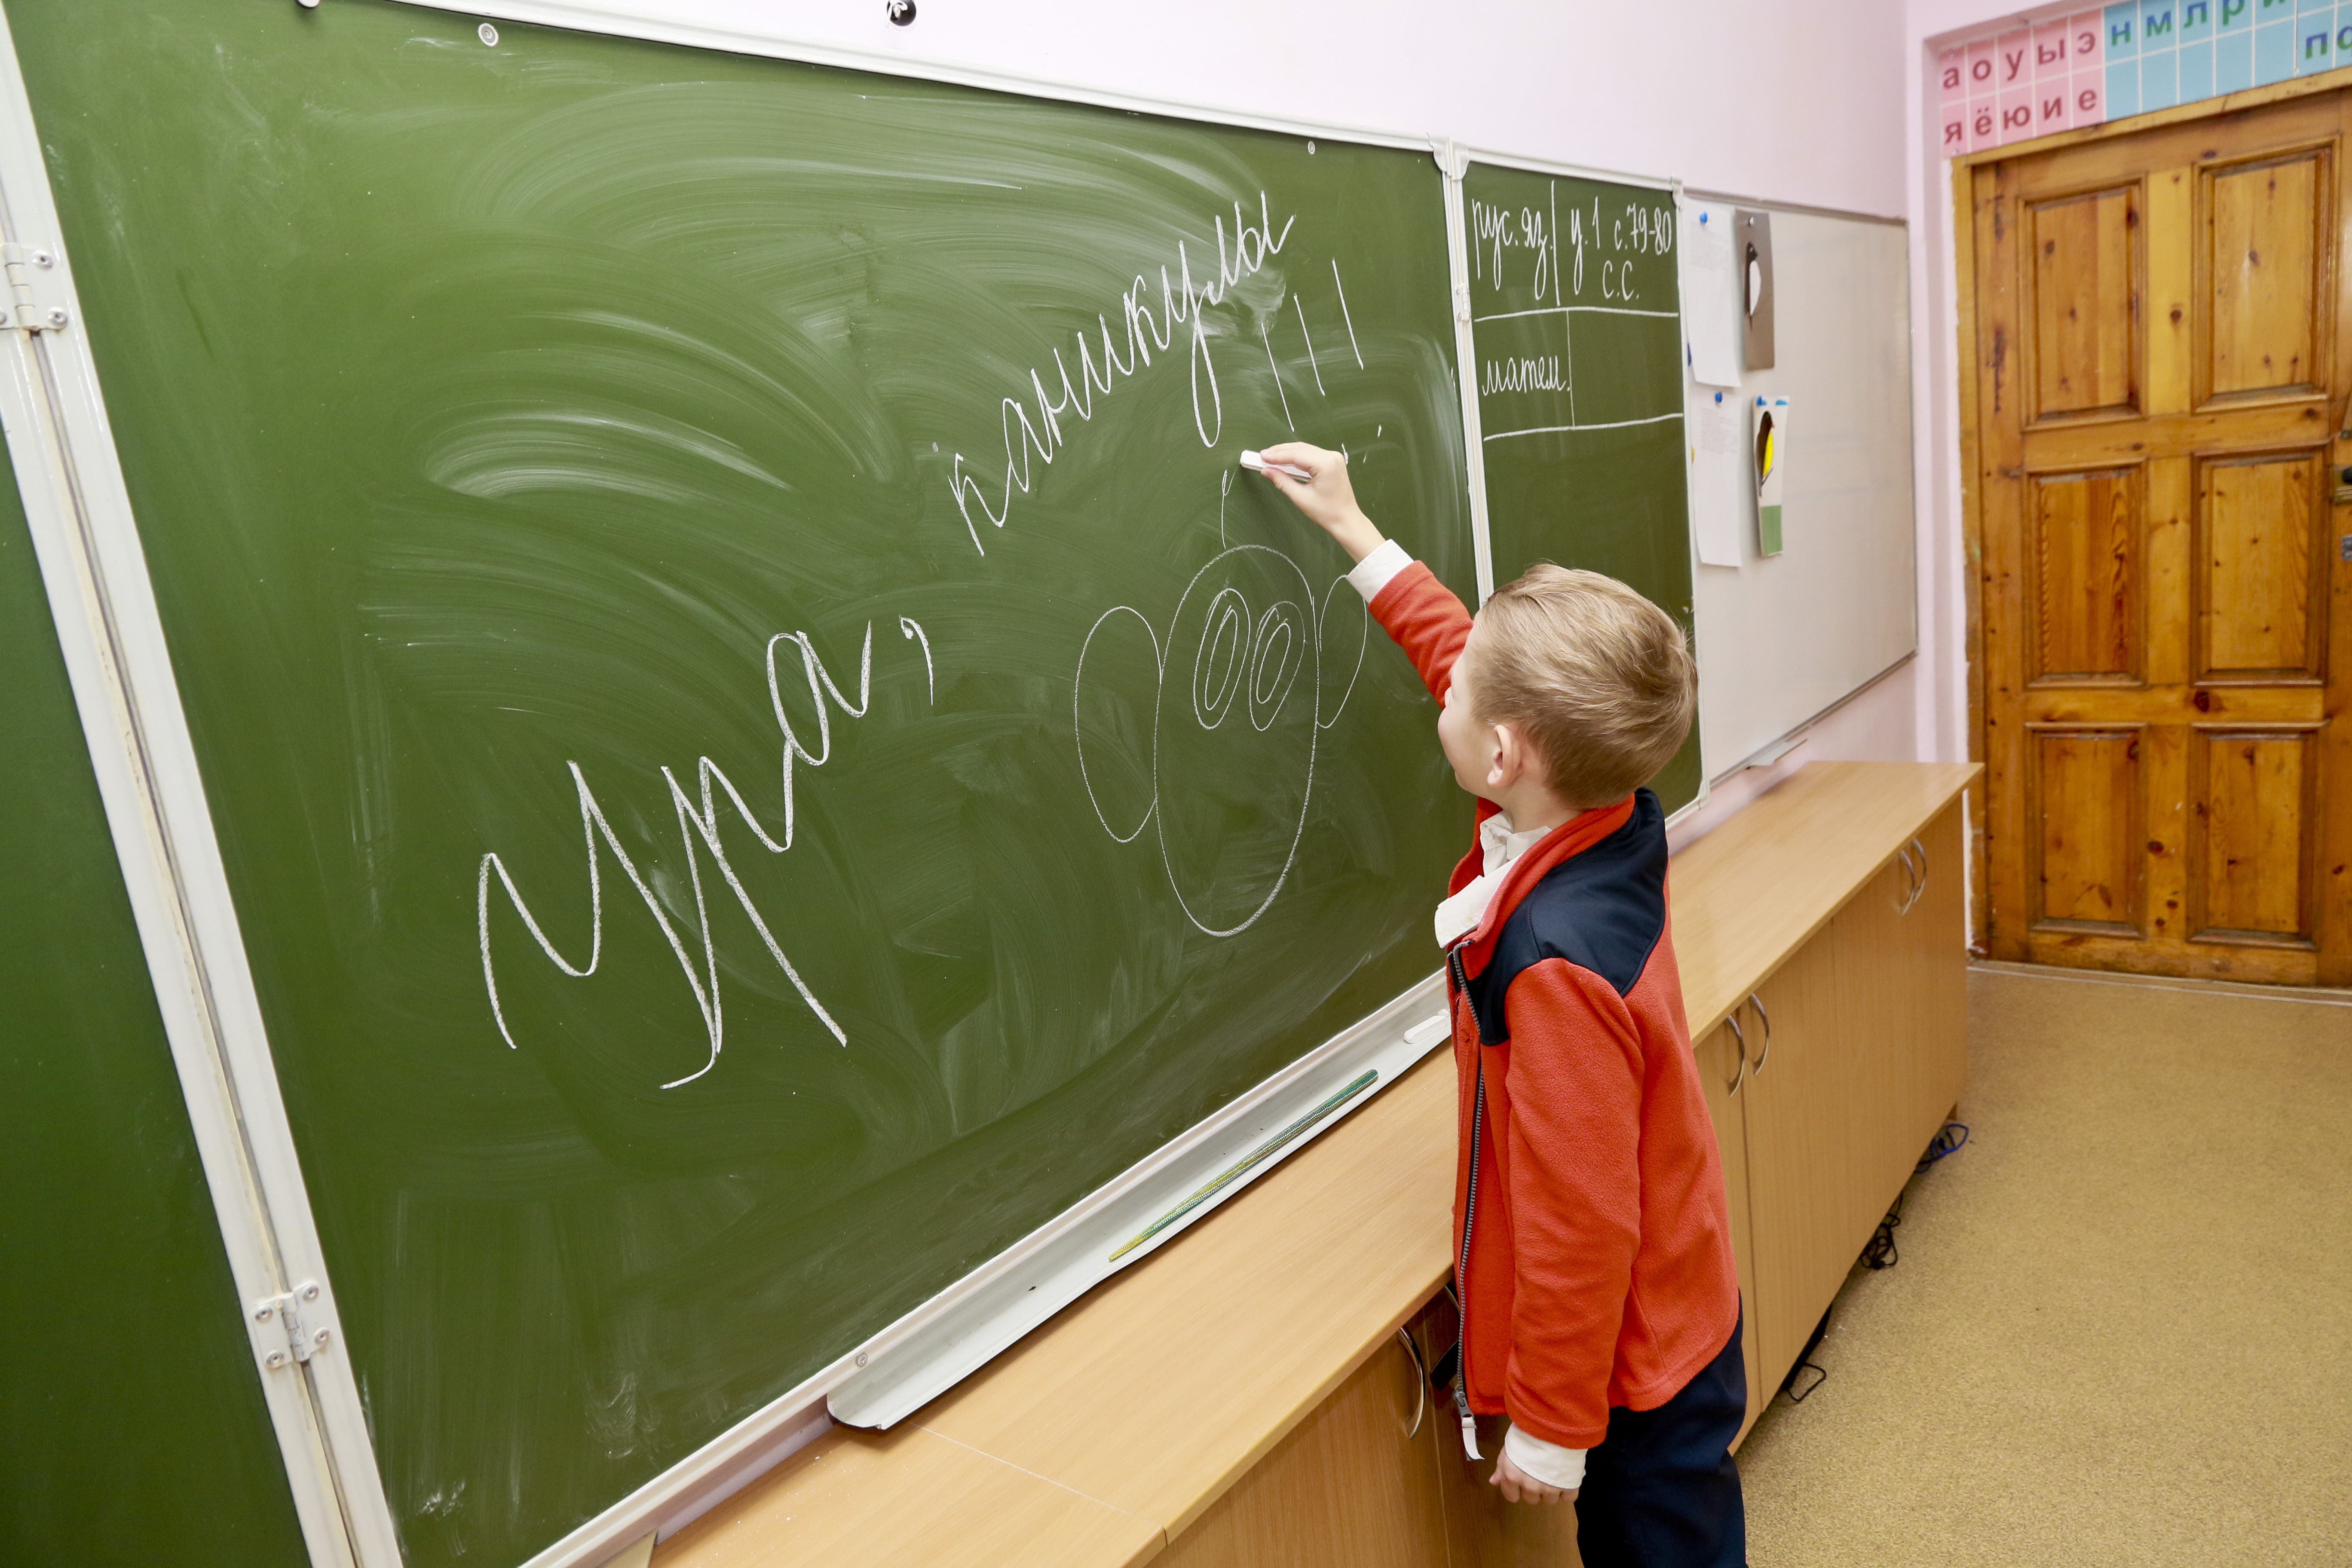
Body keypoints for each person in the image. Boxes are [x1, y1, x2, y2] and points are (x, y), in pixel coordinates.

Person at [1255, 441, 1746, 1568]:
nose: (1450, 678)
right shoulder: (1601, 810)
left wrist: (1561, 1431)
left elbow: (1586, 1217)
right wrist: (1356, 534)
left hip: (1633, 1373)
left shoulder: (1552, 967)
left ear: (1503, 750)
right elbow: (1465, 664)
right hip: (1676, 1297)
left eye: (1465, 691)